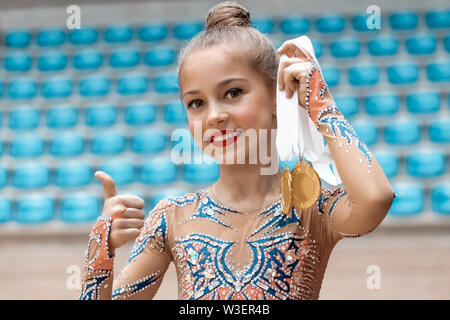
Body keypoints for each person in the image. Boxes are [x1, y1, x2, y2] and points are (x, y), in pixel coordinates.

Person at [79, 1, 396, 300]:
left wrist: (321, 106)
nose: (214, 115)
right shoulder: (171, 217)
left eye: (233, 92)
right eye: (197, 103)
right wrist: (102, 246)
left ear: (277, 97)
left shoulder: (314, 209)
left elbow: (375, 199)